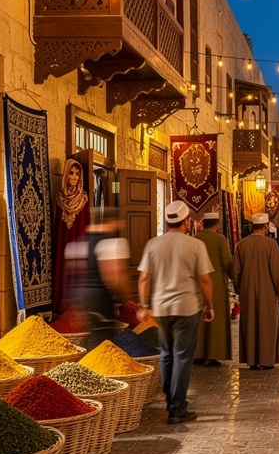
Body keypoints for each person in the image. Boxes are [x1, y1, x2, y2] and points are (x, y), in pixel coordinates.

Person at [138, 201, 214, 424]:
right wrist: (209, 305)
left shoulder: (153, 244)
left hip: (161, 308)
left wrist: (143, 306)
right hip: (186, 307)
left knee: (166, 354)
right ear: (187, 221)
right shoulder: (195, 245)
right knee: (182, 356)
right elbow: (205, 279)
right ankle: (177, 408)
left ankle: (171, 399)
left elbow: (144, 277)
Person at [63, 206, 130, 348]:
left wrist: (76, 302)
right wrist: (127, 298)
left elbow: (74, 273)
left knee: (95, 335)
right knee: (103, 339)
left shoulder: (77, 244)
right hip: (101, 298)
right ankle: (99, 369)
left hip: (83, 297)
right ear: (112, 222)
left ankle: (93, 366)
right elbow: (113, 275)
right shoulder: (111, 244)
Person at [232, 212, 279, 369]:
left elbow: (236, 271)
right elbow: (277, 271)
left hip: (247, 291)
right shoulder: (271, 244)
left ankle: (252, 360)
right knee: (267, 324)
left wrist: (239, 288)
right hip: (268, 291)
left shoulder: (241, 245)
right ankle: (266, 360)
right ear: (265, 226)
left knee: (250, 324)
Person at [193, 211, 232, 366]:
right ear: (217, 224)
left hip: (196, 285)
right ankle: (211, 356)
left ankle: (197, 354)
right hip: (215, 285)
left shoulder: (195, 239)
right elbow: (227, 261)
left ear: (203, 223)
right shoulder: (220, 239)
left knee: (198, 321)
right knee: (215, 323)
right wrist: (233, 277)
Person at [52, 159, 89, 316]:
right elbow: (57, 226)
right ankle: (63, 311)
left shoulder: (83, 198)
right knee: (63, 270)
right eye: (71, 174)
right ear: (65, 175)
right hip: (64, 244)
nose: (74, 177)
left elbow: (87, 224)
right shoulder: (60, 198)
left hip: (79, 243)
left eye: (77, 174)